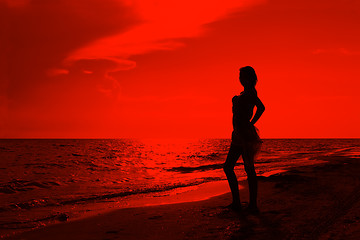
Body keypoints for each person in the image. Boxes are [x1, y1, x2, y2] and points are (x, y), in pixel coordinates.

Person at [223, 66, 265, 213]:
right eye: (240, 77)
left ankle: (251, 204)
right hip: (239, 134)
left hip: (245, 135)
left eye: (243, 76)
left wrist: (251, 123)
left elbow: (261, 107)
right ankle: (237, 202)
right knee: (229, 167)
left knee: (246, 168)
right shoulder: (246, 93)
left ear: (250, 78)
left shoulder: (251, 93)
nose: (240, 79)